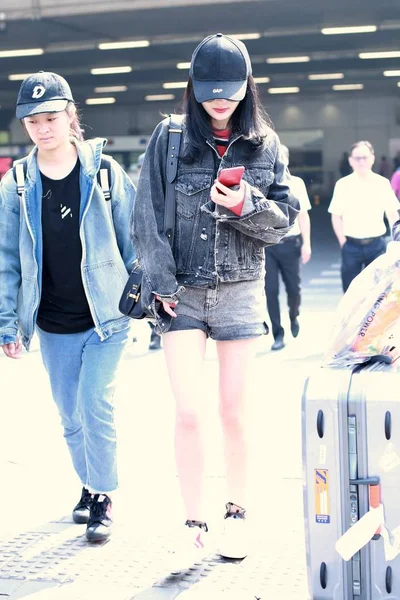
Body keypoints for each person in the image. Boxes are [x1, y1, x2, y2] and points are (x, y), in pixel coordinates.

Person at [132, 33, 299, 566]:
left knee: (234, 413)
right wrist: (160, 284)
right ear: (193, 87)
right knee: (188, 412)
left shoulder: (266, 145)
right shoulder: (169, 136)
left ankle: (237, 516)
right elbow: (146, 218)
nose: (218, 100)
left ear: (247, 87)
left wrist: (247, 202)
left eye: (229, 90)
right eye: (208, 90)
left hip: (241, 291)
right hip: (180, 291)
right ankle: (193, 522)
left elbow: (284, 222)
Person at [0, 72, 136, 542]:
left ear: (71, 116)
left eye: (51, 117)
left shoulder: (103, 172)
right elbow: (6, 259)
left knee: (95, 403)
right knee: (70, 415)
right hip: (53, 322)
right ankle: (87, 482)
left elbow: (132, 239)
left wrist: (148, 294)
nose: (43, 127)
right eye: (33, 120)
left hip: (107, 317)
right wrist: (8, 324)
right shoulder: (17, 183)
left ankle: (102, 496)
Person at [328, 140, 399, 292]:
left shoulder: (382, 183)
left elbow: (392, 214)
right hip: (351, 246)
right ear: (350, 161)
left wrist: (397, 241)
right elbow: (336, 216)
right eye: (357, 158)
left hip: (377, 246)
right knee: (350, 293)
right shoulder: (343, 185)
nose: (361, 161)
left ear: (372, 158)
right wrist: (342, 242)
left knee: (377, 294)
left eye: (365, 157)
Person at [264, 145, 311, 351]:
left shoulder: (296, 184)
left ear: (287, 160)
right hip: (268, 245)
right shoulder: (263, 182)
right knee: (270, 291)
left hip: (291, 244)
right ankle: (278, 333)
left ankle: (294, 315)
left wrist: (307, 244)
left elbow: (303, 215)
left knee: (294, 289)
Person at [136, 151, 162, 351]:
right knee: (148, 292)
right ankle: (154, 331)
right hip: (145, 248)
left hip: (163, 245)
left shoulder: (164, 186)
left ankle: (159, 332)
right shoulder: (136, 188)